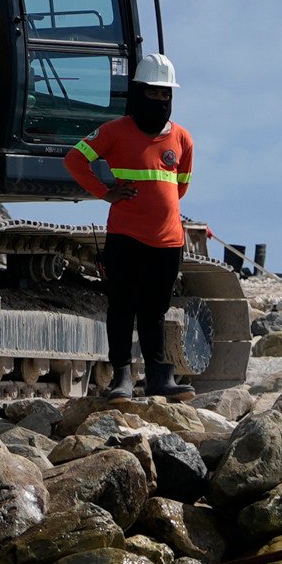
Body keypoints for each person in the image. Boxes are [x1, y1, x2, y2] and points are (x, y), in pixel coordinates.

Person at [68, 53, 196, 398]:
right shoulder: (114, 131)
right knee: (123, 306)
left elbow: (180, 186)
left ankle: (158, 377)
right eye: (153, 93)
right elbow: (75, 159)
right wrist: (106, 192)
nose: (160, 100)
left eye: (166, 94)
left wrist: (161, 209)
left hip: (169, 241)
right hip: (126, 237)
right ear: (138, 92)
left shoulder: (183, 139)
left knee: (155, 310)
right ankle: (121, 378)